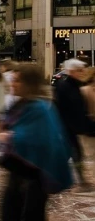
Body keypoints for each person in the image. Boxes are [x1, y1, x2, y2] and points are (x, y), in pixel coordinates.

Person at [0, 63, 72, 221]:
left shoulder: (40, 108)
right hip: (18, 175)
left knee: (30, 214)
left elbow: (43, 139)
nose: (12, 83)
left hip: (33, 178)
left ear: (28, 83)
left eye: (17, 80)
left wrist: (10, 137)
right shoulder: (21, 104)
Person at [53, 58, 95, 187]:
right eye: (79, 70)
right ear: (72, 71)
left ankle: (57, 176)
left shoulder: (74, 85)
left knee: (73, 153)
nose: (82, 73)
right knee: (71, 153)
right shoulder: (64, 86)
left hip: (71, 127)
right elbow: (62, 107)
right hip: (66, 126)